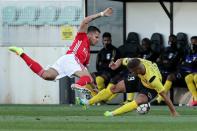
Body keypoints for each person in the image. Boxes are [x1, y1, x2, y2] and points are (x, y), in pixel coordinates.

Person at [8, 8, 113, 90]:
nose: (98, 40)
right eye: (96, 37)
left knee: (46, 75)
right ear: (89, 34)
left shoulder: (87, 54)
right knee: (88, 78)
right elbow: (85, 20)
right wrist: (102, 14)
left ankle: (21, 53)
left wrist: (93, 86)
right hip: (71, 58)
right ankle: (76, 86)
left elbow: (85, 72)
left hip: (65, 60)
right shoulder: (82, 36)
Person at [108, 58, 179, 117]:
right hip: (141, 79)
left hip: (150, 88)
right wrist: (116, 64)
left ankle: (112, 113)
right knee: (113, 88)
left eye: (132, 71)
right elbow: (121, 59)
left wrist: (173, 111)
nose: (131, 73)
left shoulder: (153, 79)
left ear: (137, 69)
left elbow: (164, 95)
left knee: (140, 100)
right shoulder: (137, 62)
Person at [155, 34, 184, 103]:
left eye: (172, 39)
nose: (171, 41)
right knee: (155, 77)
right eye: (170, 39)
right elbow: (159, 61)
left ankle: (159, 99)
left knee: (170, 77)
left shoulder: (179, 50)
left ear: (176, 40)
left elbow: (174, 62)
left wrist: (167, 62)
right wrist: (164, 62)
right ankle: (156, 99)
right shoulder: (165, 49)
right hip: (164, 70)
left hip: (174, 71)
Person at [181, 36, 197, 106]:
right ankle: (196, 99)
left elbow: (192, 64)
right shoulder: (189, 53)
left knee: (196, 77)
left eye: (195, 43)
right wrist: (189, 64)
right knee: (188, 78)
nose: (193, 45)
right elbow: (184, 65)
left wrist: (189, 64)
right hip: (193, 72)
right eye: (192, 43)